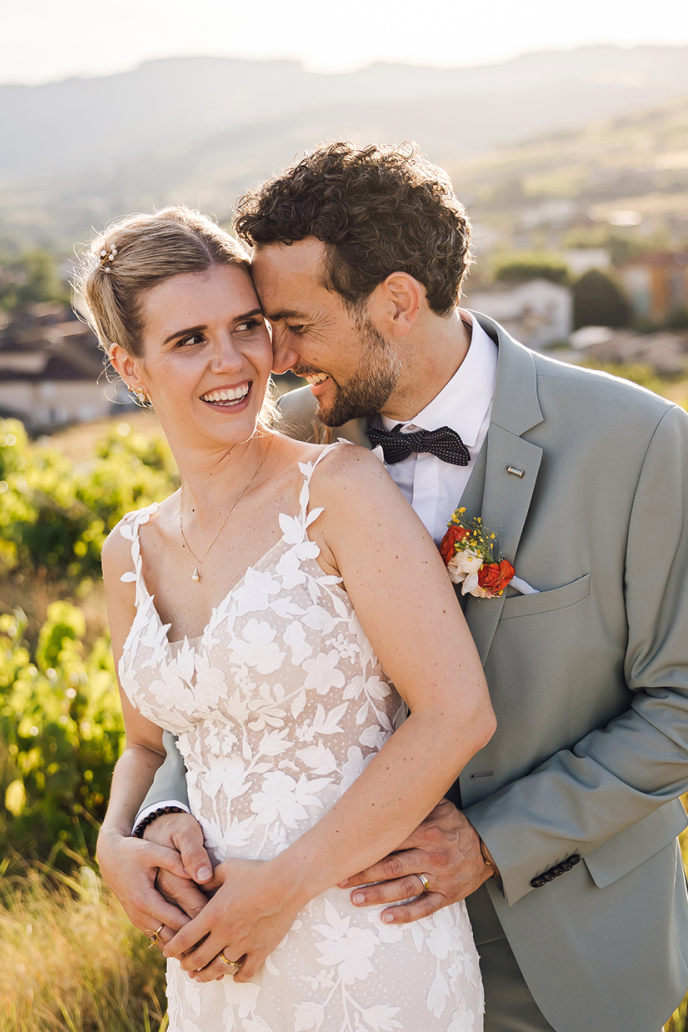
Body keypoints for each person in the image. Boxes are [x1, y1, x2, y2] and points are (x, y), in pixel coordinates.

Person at [112, 143, 688, 1032]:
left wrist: (494, 840)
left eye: (292, 322)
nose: (276, 359)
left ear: (398, 302)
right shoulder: (292, 451)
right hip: (344, 946)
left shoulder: (633, 440)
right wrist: (164, 805)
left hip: (567, 948)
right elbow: (232, 670)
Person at [87, 206, 496, 1031]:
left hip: (371, 948)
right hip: (217, 969)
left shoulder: (337, 488)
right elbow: (147, 744)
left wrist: (284, 887)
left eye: (247, 325)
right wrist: (112, 841)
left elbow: (458, 713)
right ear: (131, 366)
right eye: (189, 339)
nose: (233, 360)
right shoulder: (130, 550)